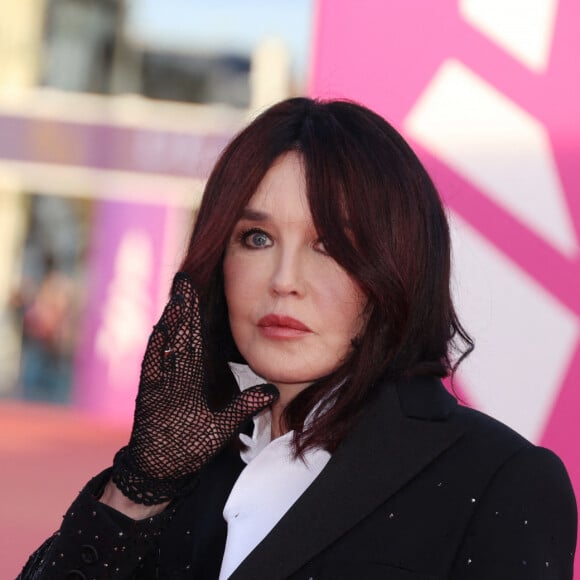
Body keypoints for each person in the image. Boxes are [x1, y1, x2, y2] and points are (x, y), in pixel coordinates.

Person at [20, 98, 577, 579]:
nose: (284, 281)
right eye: (256, 238)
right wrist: (135, 490)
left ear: (399, 265)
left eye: (330, 245)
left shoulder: (498, 481)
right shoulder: (177, 469)